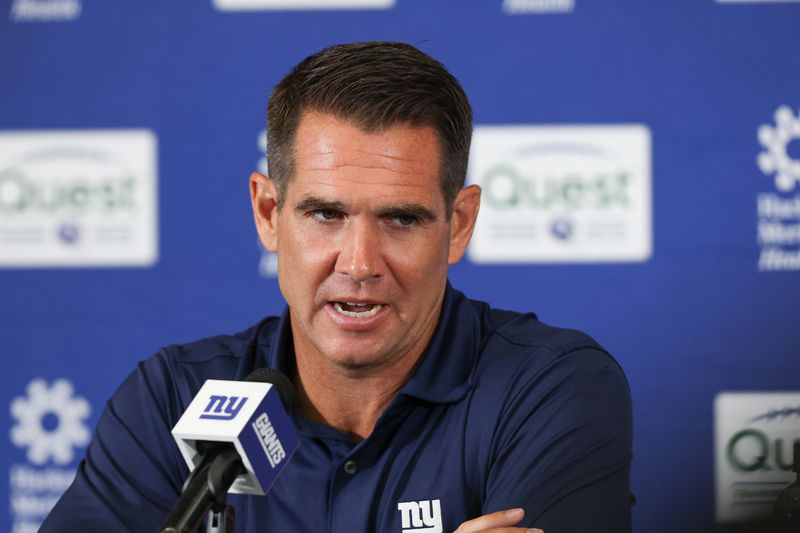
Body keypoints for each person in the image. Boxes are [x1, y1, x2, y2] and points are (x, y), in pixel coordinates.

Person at [41, 41, 633, 532]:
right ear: (269, 213)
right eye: (326, 214)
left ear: (458, 225)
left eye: (400, 219)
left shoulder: (548, 389)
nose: (359, 262)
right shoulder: (173, 398)